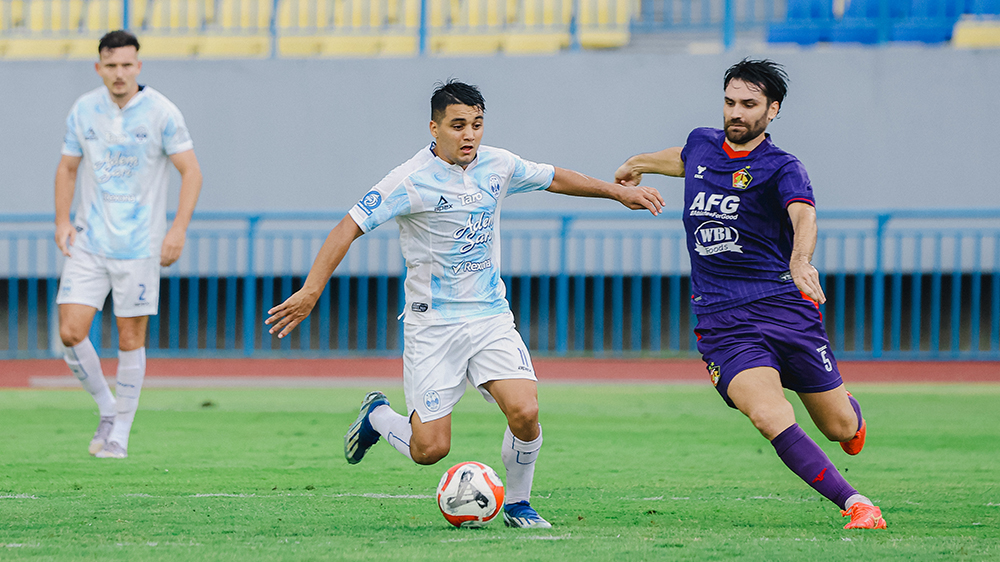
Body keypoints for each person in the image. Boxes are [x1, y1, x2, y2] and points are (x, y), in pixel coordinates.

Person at [267, 80, 663, 528]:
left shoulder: (498, 164)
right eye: (458, 125)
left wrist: (617, 192)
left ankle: (517, 504)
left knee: (526, 410)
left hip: (490, 316)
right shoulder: (408, 180)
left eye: (476, 124)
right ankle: (378, 415)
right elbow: (348, 227)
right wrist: (311, 291)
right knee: (430, 450)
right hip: (433, 326)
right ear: (434, 128)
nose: (469, 134)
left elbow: (554, 177)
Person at [614, 59, 886, 530]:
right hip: (723, 322)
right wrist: (637, 163)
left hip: (784, 310)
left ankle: (850, 413)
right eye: (729, 102)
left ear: (773, 109)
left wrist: (800, 260)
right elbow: (682, 158)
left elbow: (804, 214)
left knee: (840, 428)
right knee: (767, 414)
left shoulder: (782, 167)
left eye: (749, 104)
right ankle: (857, 504)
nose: (736, 113)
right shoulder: (703, 143)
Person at [55, 30, 203, 459]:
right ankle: (107, 408)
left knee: (129, 337)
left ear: (138, 66)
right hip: (89, 242)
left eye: (126, 65)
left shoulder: (161, 112)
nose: (119, 73)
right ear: (98, 67)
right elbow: (67, 168)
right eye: (111, 65)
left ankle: (120, 431)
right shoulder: (84, 110)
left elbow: (191, 171)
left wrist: (177, 229)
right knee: (70, 331)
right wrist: (62, 220)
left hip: (140, 246)